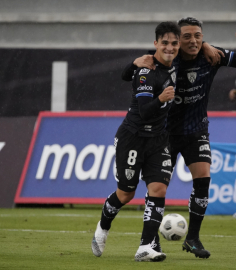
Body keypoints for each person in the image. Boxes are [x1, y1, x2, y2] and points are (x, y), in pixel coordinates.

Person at [121, 17, 236, 259]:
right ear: (176, 41)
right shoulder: (164, 61)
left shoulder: (211, 55)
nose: (193, 41)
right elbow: (129, 75)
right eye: (186, 37)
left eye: (198, 36)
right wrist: (134, 63)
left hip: (196, 130)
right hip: (165, 134)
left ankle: (192, 238)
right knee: (158, 187)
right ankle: (151, 241)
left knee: (203, 177)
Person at [91, 21, 180, 262]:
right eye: (165, 43)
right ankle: (102, 227)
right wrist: (161, 98)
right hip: (133, 138)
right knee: (125, 194)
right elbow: (144, 111)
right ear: (155, 44)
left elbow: (123, 75)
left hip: (158, 139)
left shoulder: (176, 65)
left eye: (174, 43)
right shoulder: (146, 70)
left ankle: (146, 247)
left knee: (158, 188)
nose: (170, 47)